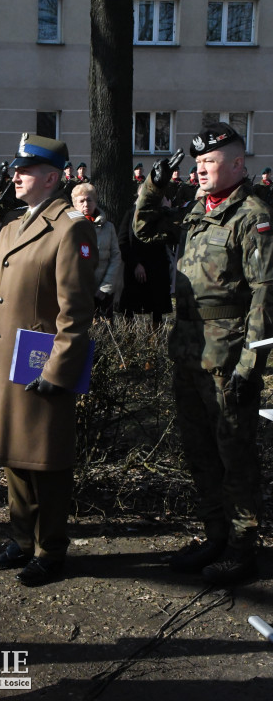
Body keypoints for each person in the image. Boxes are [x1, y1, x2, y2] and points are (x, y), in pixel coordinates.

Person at [134, 123, 273, 586]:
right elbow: (144, 228)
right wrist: (154, 187)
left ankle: (241, 547)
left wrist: (252, 365)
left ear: (238, 164)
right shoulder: (198, 210)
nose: (201, 170)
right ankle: (215, 534)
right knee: (199, 450)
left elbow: (266, 296)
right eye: (198, 164)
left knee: (234, 452)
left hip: (229, 355)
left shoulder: (252, 215)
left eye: (210, 162)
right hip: (189, 350)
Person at [0, 133, 97, 586]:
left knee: (47, 462)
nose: (15, 175)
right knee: (16, 457)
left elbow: (75, 312)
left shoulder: (71, 226)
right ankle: (20, 540)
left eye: (26, 169)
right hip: (9, 361)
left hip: (41, 364)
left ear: (52, 177)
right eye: (15, 169)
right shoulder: (14, 226)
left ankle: (50, 549)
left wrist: (58, 371)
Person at [118, 183, 172, 332]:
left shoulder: (161, 214)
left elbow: (172, 235)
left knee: (157, 310)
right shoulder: (131, 214)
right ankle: (130, 341)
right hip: (136, 269)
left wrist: (167, 210)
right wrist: (135, 264)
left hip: (158, 269)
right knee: (132, 309)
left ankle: (153, 343)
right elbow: (123, 241)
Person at [71, 182, 121, 320]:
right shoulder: (69, 227)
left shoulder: (108, 227)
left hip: (103, 291)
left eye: (89, 200)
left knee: (103, 331)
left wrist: (105, 287)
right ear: (75, 204)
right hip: (78, 292)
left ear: (95, 202)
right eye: (81, 201)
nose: (85, 204)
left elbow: (115, 257)